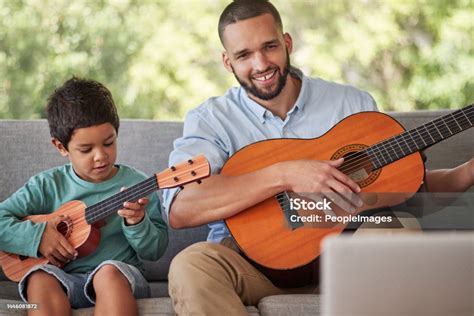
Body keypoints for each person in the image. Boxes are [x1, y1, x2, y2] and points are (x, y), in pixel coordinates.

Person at [162, 1, 474, 314]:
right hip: (252, 265)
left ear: (287, 44)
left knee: (397, 226)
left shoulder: (352, 103)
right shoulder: (210, 119)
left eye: (269, 47)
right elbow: (181, 208)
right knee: (191, 265)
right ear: (227, 62)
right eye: (244, 55)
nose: (260, 64)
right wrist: (284, 175)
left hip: (345, 260)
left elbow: (395, 191)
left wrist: (466, 171)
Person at [0, 78, 168, 315]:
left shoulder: (136, 185)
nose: (100, 156)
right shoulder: (47, 185)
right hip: (61, 278)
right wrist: (37, 237)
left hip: (119, 276)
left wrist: (137, 223)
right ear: (61, 147)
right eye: (86, 150)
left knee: (107, 274)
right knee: (38, 278)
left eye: (108, 143)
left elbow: (156, 250)